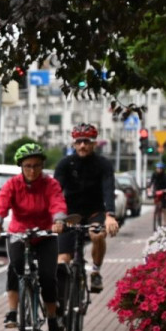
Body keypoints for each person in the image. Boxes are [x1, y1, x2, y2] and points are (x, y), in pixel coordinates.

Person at [0, 142, 67, 331]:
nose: (32, 170)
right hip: (19, 233)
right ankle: (13, 312)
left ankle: (51, 317)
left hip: (45, 234)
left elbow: (57, 201)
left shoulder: (50, 184)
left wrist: (58, 220)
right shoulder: (13, 184)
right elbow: (1, 204)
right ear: (21, 167)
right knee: (15, 267)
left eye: (37, 165)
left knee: (48, 276)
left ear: (42, 166)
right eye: (28, 166)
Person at [53, 123, 119, 294]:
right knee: (62, 260)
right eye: (79, 141)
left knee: (97, 235)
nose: (83, 145)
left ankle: (96, 271)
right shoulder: (64, 164)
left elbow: (108, 189)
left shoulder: (103, 164)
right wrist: (55, 217)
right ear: (74, 143)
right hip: (70, 214)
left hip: (94, 212)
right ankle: (63, 300)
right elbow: (55, 192)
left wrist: (110, 215)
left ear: (94, 143)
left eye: (87, 141)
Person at [147, 161, 166, 226]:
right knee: (156, 200)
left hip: (164, 190)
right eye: (158, 168)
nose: (159, 170)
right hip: (156, 190)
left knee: (164, 206)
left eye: (160, 168)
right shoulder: (154, 174)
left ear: (163, 169)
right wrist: (149, 187)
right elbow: (151, 182)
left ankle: (165, 220)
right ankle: (156, 210)